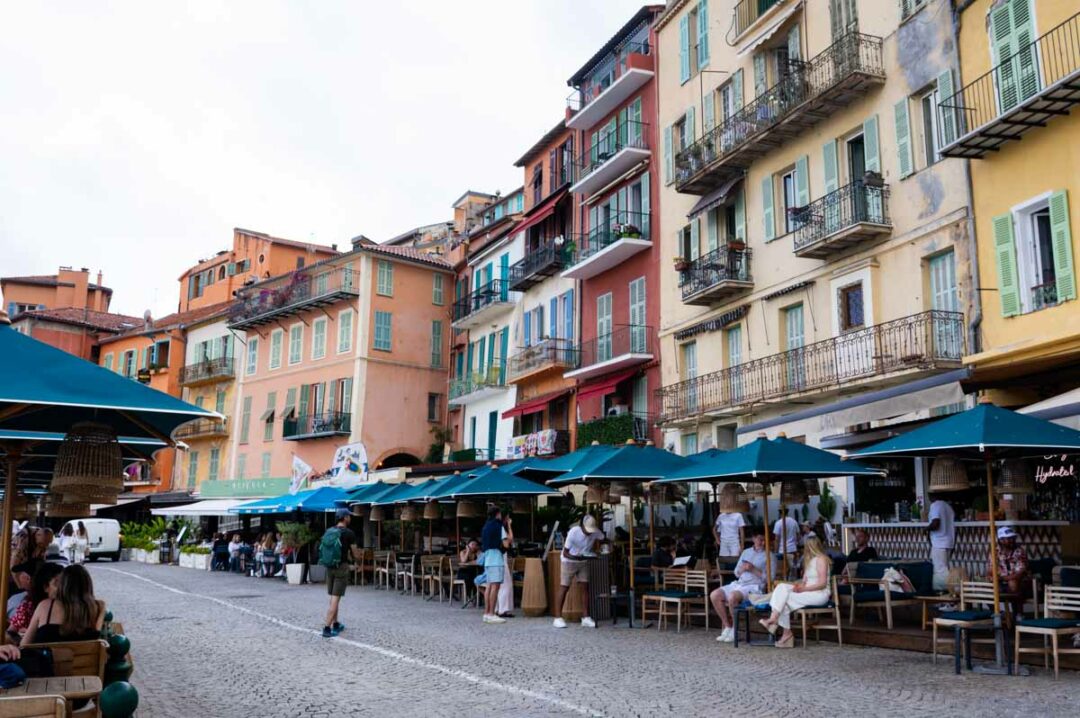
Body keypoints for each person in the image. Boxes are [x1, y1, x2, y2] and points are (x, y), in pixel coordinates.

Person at [759, 536, 832, 648]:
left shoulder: (821, 559)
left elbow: (822, 583)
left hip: (819, 593)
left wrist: (804, 589)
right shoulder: (809, 561)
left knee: (785, 599)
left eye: (805, 547)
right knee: (782, 587)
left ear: (811, 547)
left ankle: (780, 627)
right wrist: (798, 587)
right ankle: (778, 625)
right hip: (808, 592)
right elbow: (805, 582)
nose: (804, 549)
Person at [21, 565, 105, 646]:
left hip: (49, 659)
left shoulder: (46, 606)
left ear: (63, 585)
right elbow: (96, 640)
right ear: (88, 585)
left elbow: (24, 645)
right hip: (85, 660)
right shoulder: (98, 607)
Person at [712, 528, 771, 643]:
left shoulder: (769, 555)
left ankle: (735, 629)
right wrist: (742, 569)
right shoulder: (746, 552)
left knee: (732, 597)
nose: (763, 543)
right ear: (753, 539)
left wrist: (754, 569)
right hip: (739, 583)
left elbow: (770, 579)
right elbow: (736, 572)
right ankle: (727, 626)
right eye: (760, 540)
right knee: (715, 595)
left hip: (754, 587)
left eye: (765, 540)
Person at [553, 514, 603, 629]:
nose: (589, 533)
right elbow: (565, 552)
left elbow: (603, 538)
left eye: (591, 531)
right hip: (569, 561)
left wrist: (600, 548)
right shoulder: (574, 532)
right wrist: (576, 558)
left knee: (585, 587)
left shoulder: (595, 532)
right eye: (587, 530)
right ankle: (557, 617)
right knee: (564, 587)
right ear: (582, 526)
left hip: (583, 561)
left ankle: (585, 617)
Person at [321, 509, 357, 638]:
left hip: (330, 567)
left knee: (333, 597)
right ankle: (327, 628)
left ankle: (336, 623)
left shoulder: (329, 531)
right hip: (342, 567)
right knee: (336, 598)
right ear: (345, 517)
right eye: (349, 516)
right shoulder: (349, 533)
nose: (350, 518)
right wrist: (355, 561)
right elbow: (355, 552)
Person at [8, 562, 63, 644]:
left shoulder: (70, 606)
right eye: (57, 584)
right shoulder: (27, 606)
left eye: (64, 583)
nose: (62, 588)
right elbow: (10, 633)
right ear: (45, 587)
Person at [476, 506, 511, 624]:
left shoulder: (485, 527)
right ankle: (491, 613)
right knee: (495, 587)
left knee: (489, 586)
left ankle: (486, 613)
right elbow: (506, 544)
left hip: (488, 559)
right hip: (496, 559)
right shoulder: (498, 526)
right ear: (497, 514)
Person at [990, 526, 1030, 618]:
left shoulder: (1019, 551)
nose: (1011, 540)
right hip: (1001, 581)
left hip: (1021, 582)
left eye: (1012, 538)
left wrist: (1003, 578)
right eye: (1008, 539)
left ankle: (1018, 613)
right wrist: (992, 576)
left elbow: (1020, 572)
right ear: (1001, 540)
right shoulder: (995, 552)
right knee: (988, 586)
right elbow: (991, 568)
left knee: (1013, 583)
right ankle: (997, 612)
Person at [927, 493, 955, 591]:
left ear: (931, 495)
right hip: (949, 542)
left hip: (939, 543)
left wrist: (926, 529)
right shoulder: (948, 507)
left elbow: (936, 523)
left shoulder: (935, 505)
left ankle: (947, 597)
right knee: (945, 569)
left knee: (941, 572)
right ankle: (950, 597)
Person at [495, 514, 516, 619]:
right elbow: (509, 540)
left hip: (497, 558)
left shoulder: (495, 528)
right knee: (506, 585)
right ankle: (503, 609)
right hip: (502, 558)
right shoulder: (502, 529)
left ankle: (498, 608)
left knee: (499, 585)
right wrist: (509, 525)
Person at [773, 509, 800, 578]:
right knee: (793, 569)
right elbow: (798, 536)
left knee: (783, 571)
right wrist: (795, 543)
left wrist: (775, 552)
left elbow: (777, 539)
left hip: (782, 551)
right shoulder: (794, 522)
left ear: (780, 514)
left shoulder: (778, 523)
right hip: (793, 549)